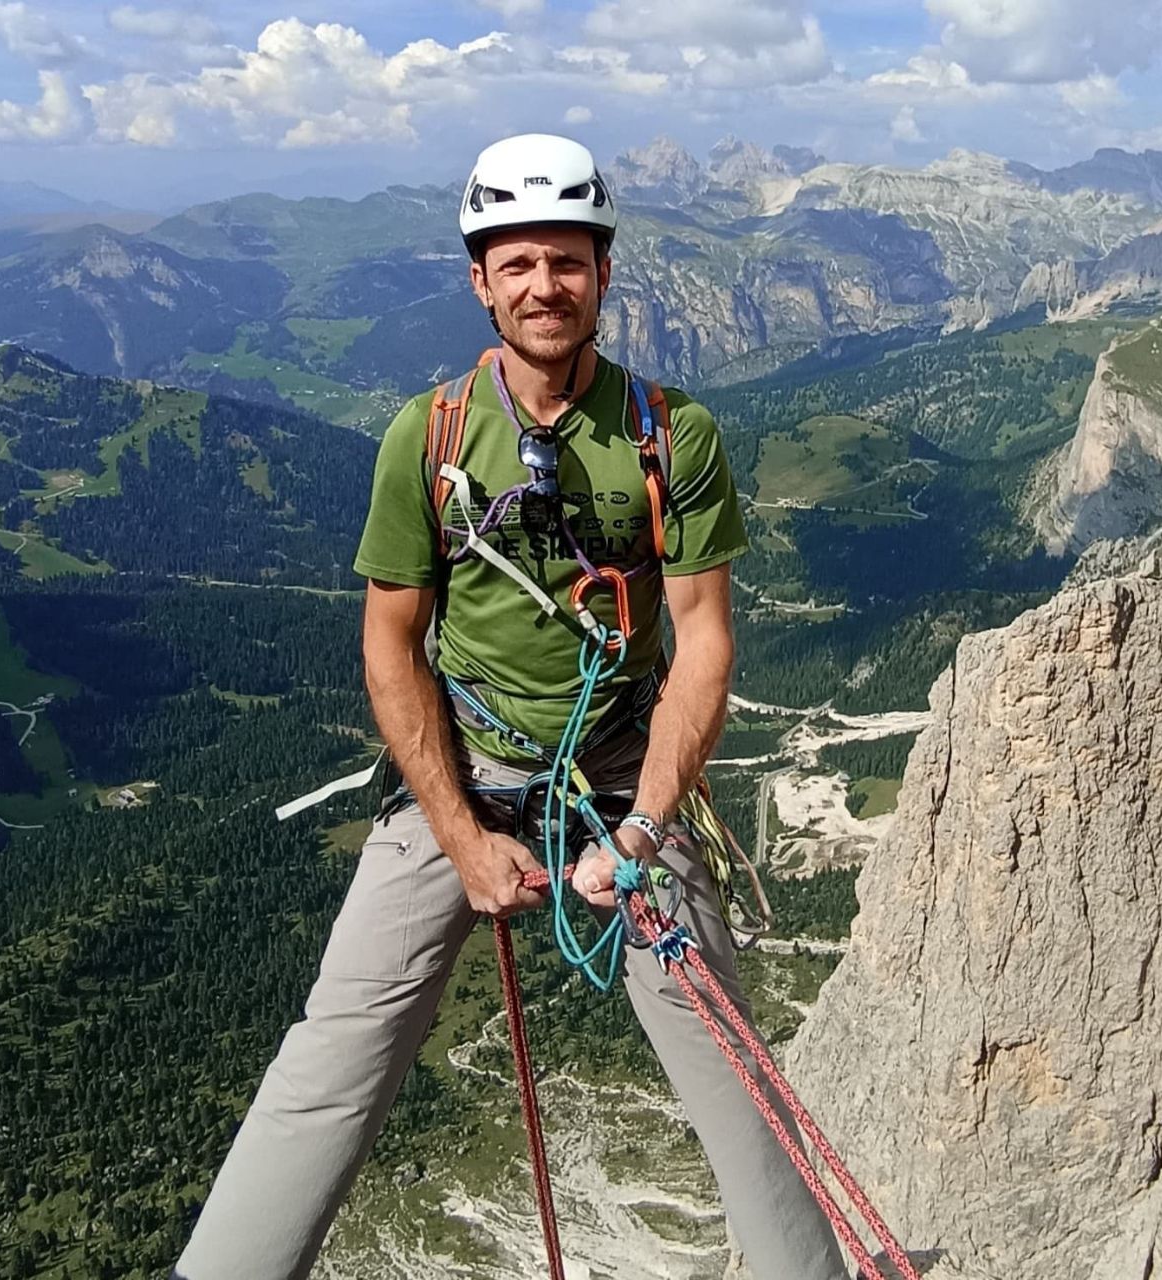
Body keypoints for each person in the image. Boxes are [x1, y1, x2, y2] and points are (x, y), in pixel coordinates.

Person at [173, 134, 848, 1279]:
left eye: (568, 261)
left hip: (626, 777)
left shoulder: (669, 434)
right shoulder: (429, 435)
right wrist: (458, 836)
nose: (546, 285)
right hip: (465, 776)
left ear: (603, 271)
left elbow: (703, 642)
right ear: (480, 279)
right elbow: (390, 645)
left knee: (726, 1058)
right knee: (338, 1051)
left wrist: (638, 833)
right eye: (519, 262)